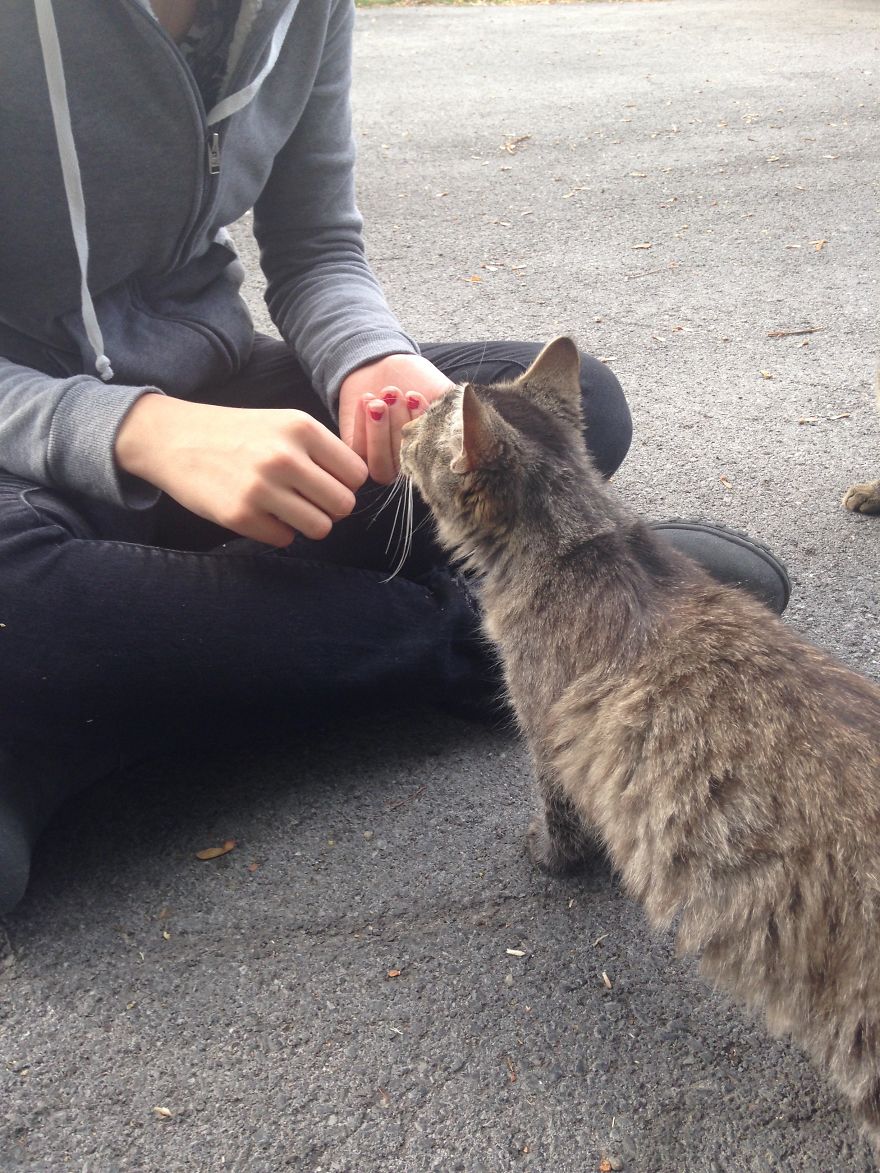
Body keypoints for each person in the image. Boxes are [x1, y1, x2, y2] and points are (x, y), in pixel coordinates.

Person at [0, 0, 789, 915]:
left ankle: (81, 701)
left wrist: (372, 358)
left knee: (571, 412)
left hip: (217, 389)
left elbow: (318, 247)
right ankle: (505, 634)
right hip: (29, 459)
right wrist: (138, 429)